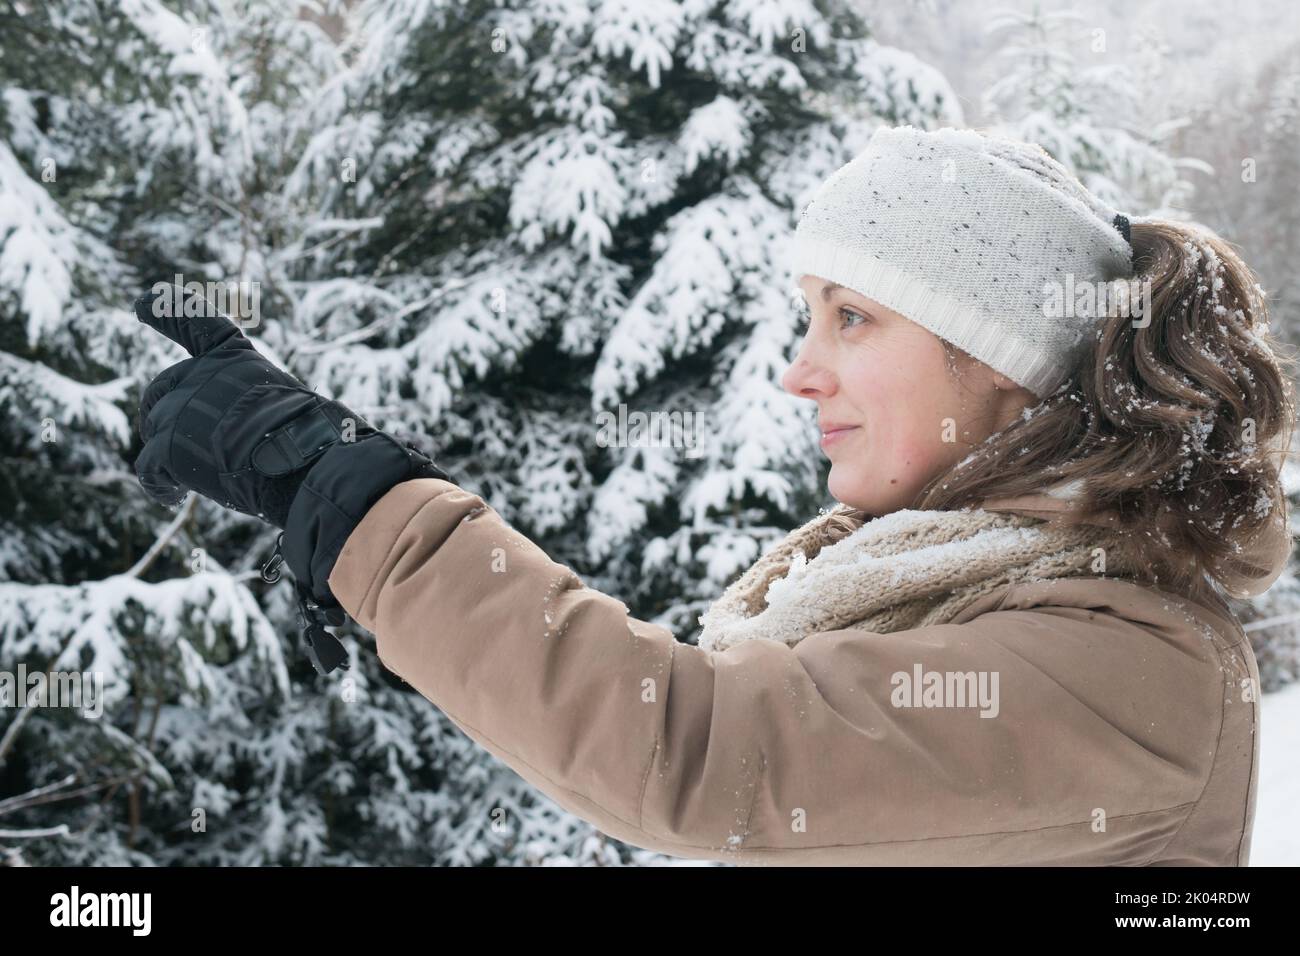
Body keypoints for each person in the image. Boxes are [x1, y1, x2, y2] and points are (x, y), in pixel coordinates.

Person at [133, 124, 1295, 865]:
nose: (800, 368)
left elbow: (698, 752)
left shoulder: (1132, 662)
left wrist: (342, 485)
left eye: (853, 316)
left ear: (998, 359)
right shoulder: (977, 601)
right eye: (808, 315)